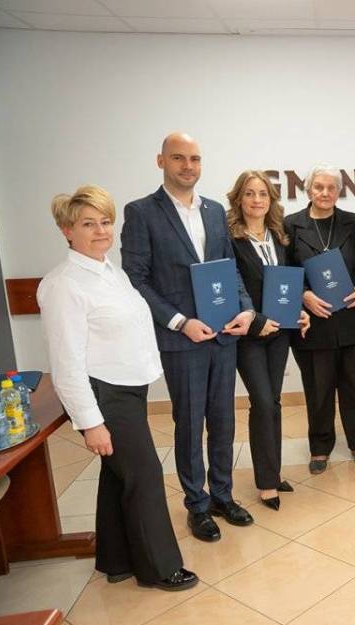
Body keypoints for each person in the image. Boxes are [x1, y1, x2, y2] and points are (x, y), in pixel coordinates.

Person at [38, 185, 198, 590]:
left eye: (105, 222)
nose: (100, 231)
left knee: (118, 474)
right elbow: (66, 364)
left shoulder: (112, 271)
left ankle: (116, 559)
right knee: (144, 475)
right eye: (88, 224)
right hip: (103, 393)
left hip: (128, 388)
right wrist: (90, 422)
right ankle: (160, 568)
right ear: (66, 231)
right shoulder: (63, 285)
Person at [121, 132, 255, 542]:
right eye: (178, 158)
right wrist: (180, 321)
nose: (188, 166)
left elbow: (230, 268)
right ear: (161, 161)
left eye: (195, 159)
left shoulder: (214, 211)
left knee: (223, 421)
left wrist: (246, 308)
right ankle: (197, 505)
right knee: (190, 424)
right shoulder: (142, 212)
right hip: (183, 341)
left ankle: (222, 495)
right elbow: (136, 279)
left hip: (223, 335)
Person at [227, 171, 310, 510]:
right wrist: (257, 321)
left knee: (273, 401)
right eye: (249, 193)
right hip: (249, 333)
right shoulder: (230, 239)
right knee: (261, 401)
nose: (257, 200)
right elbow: (233, 286)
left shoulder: (279, 236)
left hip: (280, 332)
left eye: (263, 193)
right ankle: (265, 483)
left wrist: (298, 311)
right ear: (239, 199)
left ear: (271, 199)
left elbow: (285, 285)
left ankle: (273, 473)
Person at [285, 164, 355, 475]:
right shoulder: (290, 225)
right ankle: (320, 447)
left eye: (331, 187)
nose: (325, 193)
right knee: (318, 390)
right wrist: (303, 295)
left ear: (339, 191)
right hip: (314, 323)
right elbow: (283, 272)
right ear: (308, 190)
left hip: (354, 319)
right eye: (319, 187)